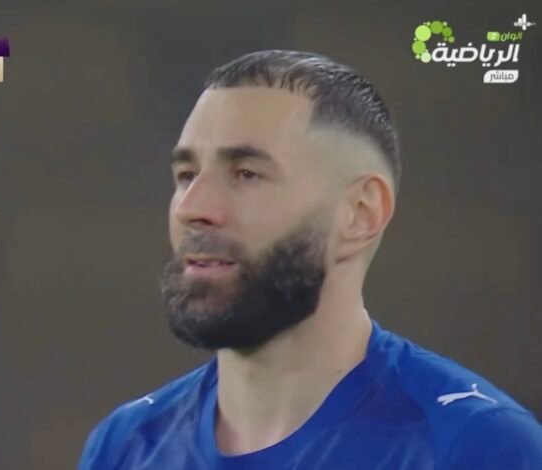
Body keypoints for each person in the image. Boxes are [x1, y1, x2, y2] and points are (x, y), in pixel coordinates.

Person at [78, 50, 542, 469]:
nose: (192, 207)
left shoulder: (477, 447)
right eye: (186, 174)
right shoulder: (125, 446)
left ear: (359, 214)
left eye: (246, 173)